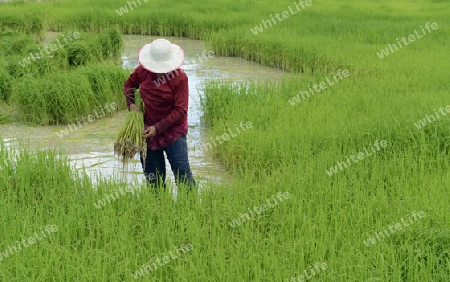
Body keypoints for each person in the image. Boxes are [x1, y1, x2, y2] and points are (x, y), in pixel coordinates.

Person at [123, 38, 196, 192]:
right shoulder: (142, 72)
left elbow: (180, 110)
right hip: (148, 131)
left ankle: (191, 207)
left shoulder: (180, 78)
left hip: (173, 131)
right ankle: (159, 208)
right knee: (153, 179)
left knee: (183, 175)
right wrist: (131, 104)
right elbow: (129, 85)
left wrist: (158, 128)